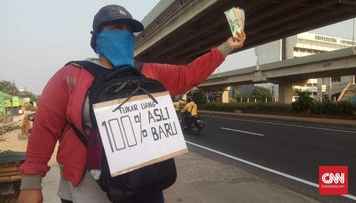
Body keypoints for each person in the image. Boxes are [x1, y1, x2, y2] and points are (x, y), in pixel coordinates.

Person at [17, 4, 246, 203]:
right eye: (115, 28)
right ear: (96, 37)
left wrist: (226, 47)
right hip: (86, 193)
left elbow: (188, 75)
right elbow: (45, 129)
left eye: (129, 31)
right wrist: (31, 184)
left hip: (145, 186)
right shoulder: (70, 76)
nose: (124, 34)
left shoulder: (149, 72)